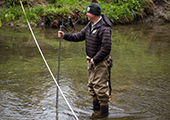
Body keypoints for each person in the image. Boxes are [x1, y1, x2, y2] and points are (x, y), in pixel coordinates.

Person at [58, 3, 112, 118]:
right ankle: (96, 110)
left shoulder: (104, 28)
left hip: (101, 63)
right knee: (92, 87)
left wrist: (95, 59)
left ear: (94, 14)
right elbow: (79, 36)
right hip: (91, 61)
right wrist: (65, 35)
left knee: (101, 89)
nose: (86, 14)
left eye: (88, 12)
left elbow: (106, 48)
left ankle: (103, 115)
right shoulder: (90, 25)